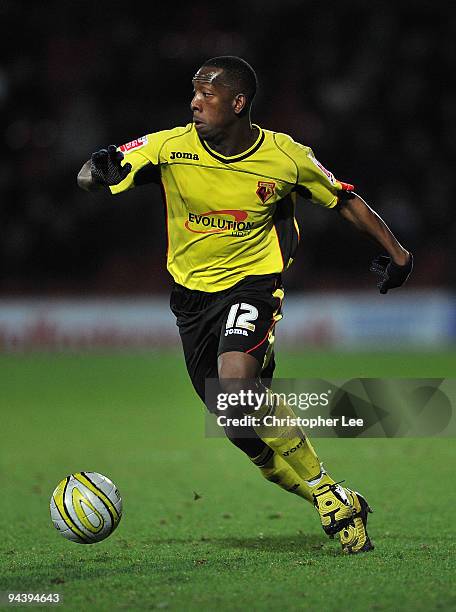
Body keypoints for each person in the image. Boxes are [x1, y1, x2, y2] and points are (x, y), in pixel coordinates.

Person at [77, 55, 413, 554]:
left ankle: (326, 492)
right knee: (237, 424)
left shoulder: (285, 156)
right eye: (192, 93)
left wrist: (399, 254)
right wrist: (97, 168)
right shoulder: (170, 148)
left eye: (205, 95)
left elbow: (343, 198)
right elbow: (91, 173)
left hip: (253, 286)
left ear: (237, 103)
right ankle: (333, 495)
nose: (194, 102)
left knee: (235, 383)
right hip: (191, 300)